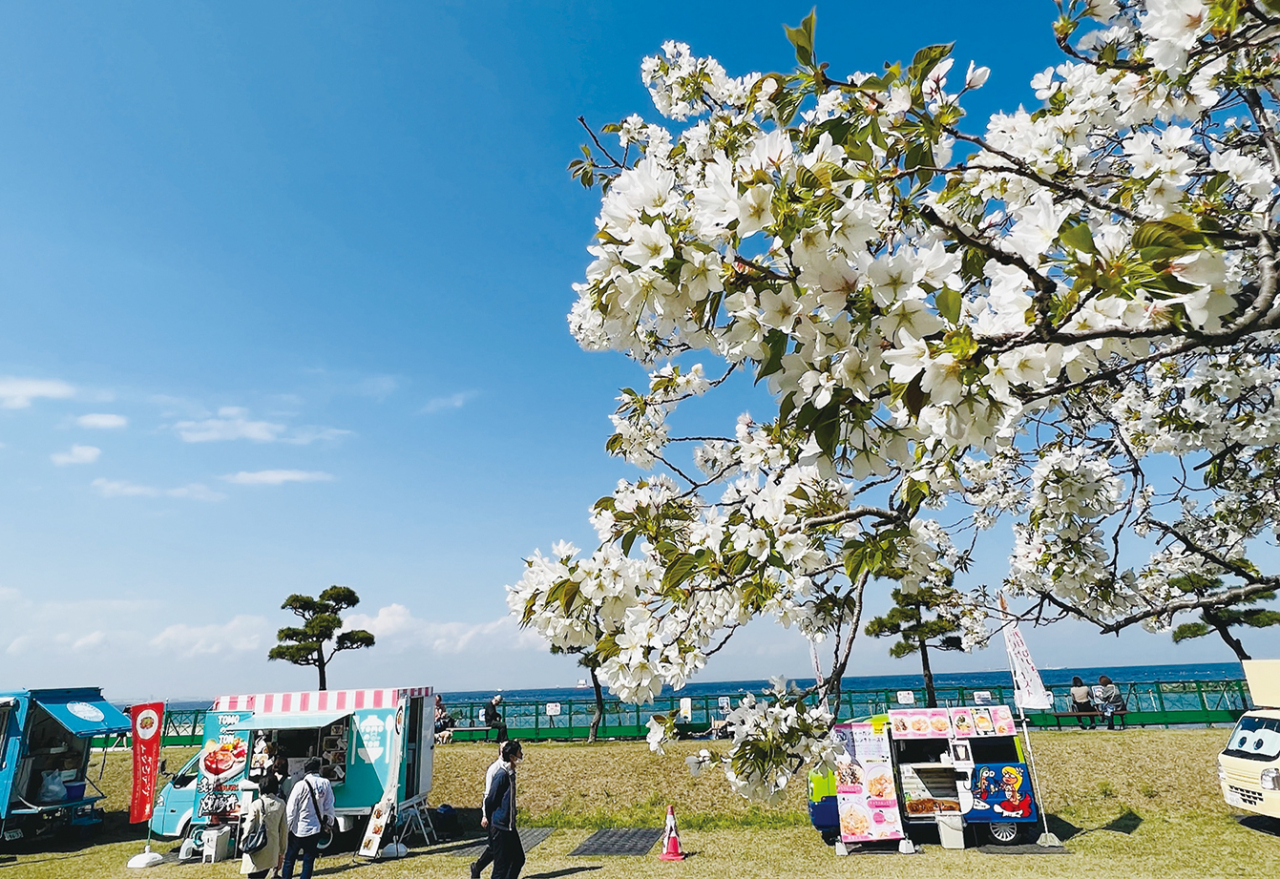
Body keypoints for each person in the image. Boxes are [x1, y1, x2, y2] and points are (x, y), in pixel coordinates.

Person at [282, 757, 334, 879]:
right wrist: (329, 822)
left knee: (289, 859)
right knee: (308, 860)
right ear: (318, 769)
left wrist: (287, 828)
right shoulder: (325, 783)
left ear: (306, 770)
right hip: (315, 828)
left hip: (297, 829)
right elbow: (329, 806)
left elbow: (291, 809)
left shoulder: (299, 785)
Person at [484, 740, 524, 879]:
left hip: (509, 826)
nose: (521, 757)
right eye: (519, 754)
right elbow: (490, 800)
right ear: (512, 757)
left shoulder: (511, 773)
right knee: (501, 868)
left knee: (518, 859)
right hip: (500, 826)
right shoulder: (502, 774)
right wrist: (489, 819)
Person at [240, 773, 287, 879]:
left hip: (256, 846)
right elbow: (284, 830)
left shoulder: (256, 804)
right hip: (272, 848)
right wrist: (282, 852)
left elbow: (249, 826)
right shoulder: (281, 804)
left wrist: (243, 843)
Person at [469, 747, 505, 879]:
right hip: (494, 815)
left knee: (498, 847)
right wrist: (485, 814)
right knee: (495, 848)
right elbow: (488, 794)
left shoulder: (508, 769)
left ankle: (478, 867)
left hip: (503, 815)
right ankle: (477, 867)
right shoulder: (494, 770)